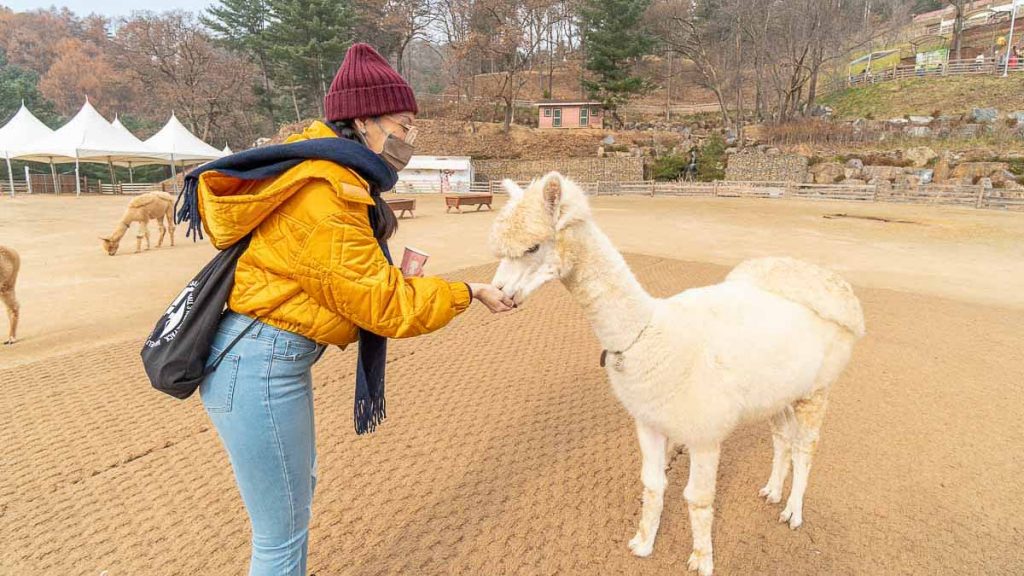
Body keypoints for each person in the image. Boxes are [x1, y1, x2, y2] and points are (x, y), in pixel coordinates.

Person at [192, 43, 513, 575]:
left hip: (269, 358)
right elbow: (382, 305)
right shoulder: (325, 192)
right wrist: (468, 292)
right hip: (258, 362)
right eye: (405, 125)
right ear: (364, 119)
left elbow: (357, 282)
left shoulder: (330, 175)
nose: (410, 139)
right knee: (281, 538)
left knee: (296, 498)